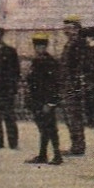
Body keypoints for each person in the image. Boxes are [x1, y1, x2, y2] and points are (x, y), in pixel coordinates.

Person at [26, 33, 63, 165]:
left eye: (42, 45)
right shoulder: (36, 61)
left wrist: (50, 102)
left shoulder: (49, 61)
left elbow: (54, 84)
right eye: (37, 46)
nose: (39, 48)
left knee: (51, 128)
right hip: (37, 100)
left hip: (46, 101)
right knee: (43, 128)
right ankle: (43, 155)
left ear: (46, 46)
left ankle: (57, 155)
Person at [61, 16, 94, 156]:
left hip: (73, 85)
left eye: (71, 28)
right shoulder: (70, 43)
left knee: (74, 116)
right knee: (70, 116)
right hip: (67, 84)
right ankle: (76, 145)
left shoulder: (79, 44)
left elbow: (82, 66)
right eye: (66, 28)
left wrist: (78, 82)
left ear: (77, 29)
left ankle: (78, 147)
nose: (67, 31)